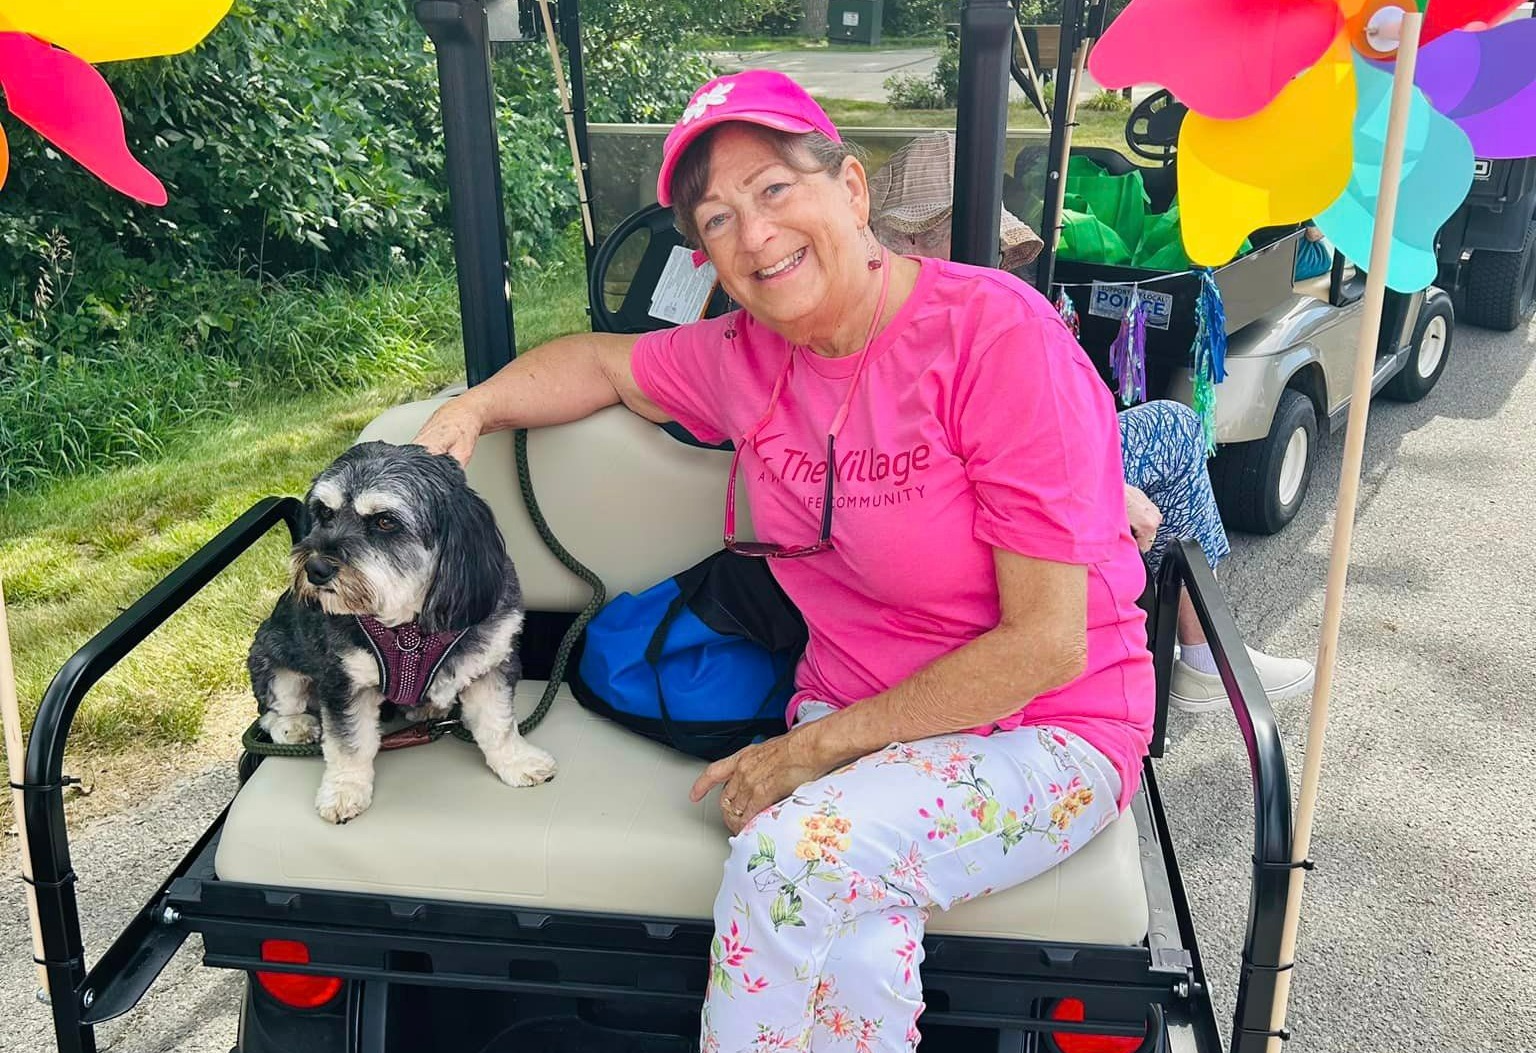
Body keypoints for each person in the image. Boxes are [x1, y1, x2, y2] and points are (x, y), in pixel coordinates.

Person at [414, 70, 1153, 1053]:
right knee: (852, 953)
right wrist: (472, 408)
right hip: (852, 717)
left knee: (790, 857)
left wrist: (809, 752)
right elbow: (595, 362)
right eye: (717, 220)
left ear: (851, 188)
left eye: (773, 189)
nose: (754, 235)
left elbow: (1047, 645)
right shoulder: (742, 354)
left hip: (1044, 729)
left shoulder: (996, 338)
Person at [869, 131, 1315, 714]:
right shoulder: (923, 314)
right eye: (975, 234)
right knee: (1174, 430)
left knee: (1167, 425)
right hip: (977, 489)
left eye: (997, 244)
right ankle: (1202, 651)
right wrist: (1102, 485)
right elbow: (958, 443)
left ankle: (1199, 648)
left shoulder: (926, 303)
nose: (998, 258)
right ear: (910, 237)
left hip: (990, 470)